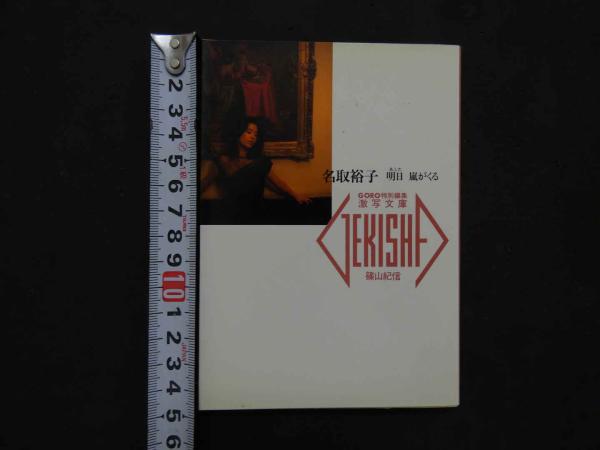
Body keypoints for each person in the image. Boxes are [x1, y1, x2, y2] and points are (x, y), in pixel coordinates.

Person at [201, 117, 311, 224]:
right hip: (230, 217)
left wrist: (295, 195)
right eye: (249, 132)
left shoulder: (259, 163)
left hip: (255, 215)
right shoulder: (222, 161)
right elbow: (205, 182)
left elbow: (277, 183)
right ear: (238, 133)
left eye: (255, 134)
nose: (253, 137)